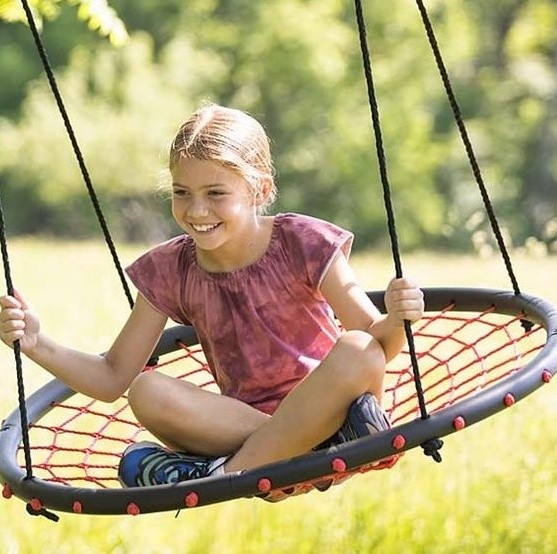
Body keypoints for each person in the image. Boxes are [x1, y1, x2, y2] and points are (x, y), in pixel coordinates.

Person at [0, 104, 424, 491]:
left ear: (259, 189)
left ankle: (227, 473)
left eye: (216, 193)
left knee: (358, 348)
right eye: (182, 192)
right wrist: (37, 343)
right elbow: (114, 376)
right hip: (240, 424)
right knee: (144, 390)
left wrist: (398, 317)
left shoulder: (302, 241)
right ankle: (303, 456)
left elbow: (378, 344)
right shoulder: (172, 269)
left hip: (330, 401)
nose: (196, 211)